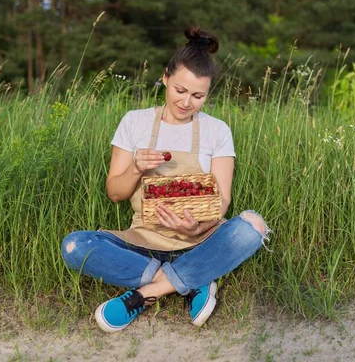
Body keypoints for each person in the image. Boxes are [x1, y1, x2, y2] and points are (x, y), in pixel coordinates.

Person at [61, 27, 270, 333]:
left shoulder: (217, 130)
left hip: (198, 241)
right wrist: (135, 168)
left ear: (207, 94)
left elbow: (222, 199)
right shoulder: (135, 121)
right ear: (165, 78)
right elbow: (115, 193)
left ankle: (146, 293)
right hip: (142, 242)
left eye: (198, 96)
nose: (187, 102)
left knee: (254, 226)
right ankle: (194, 280)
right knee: (74, 246)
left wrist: (197, 226)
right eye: (180, 91)